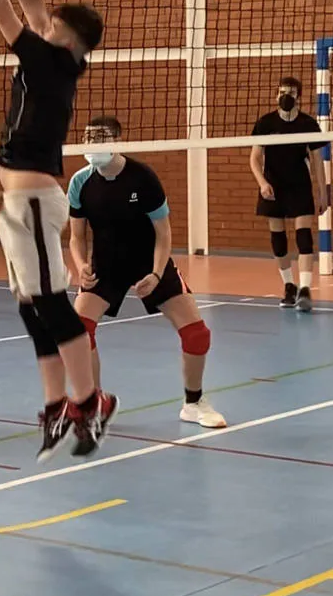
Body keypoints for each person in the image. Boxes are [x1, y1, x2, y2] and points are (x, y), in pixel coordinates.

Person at [0, 0, 112, 461]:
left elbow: (7, 11)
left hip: (33, 201)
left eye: (51, 23)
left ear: (65, 35)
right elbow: (32, 6)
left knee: (50, 301)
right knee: (29, 305)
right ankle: (54, 404)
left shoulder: (50, 61)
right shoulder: (61, 59)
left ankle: (89, 402)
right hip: (17, 202)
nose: (41, 21)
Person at [67, 116, 227, 429]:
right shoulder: (80, 182)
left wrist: (155, 274)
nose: (92, 144)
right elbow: (75, 236)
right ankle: (91, 402)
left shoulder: (143, 178)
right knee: (78, 332)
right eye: (88, 138)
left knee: (197, 334)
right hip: (105, 266)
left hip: (148, 262)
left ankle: (193, 403)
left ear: (116, 142)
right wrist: (80, 265)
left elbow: (164, 233)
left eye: (100, 138)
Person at [249, 77, 328, 312]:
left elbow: (317, 162)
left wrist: (323, 193)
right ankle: (289, 286)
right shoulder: (265, 123)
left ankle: (305, 290)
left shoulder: (308, 124)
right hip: (273, 187)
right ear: (276, 95)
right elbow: (254, 159)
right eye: (282, 92)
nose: (286, 96)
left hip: (300, 187)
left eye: (291, 92)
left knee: (304, 236)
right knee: (279, 241)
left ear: (299, 96)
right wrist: (262, 183)